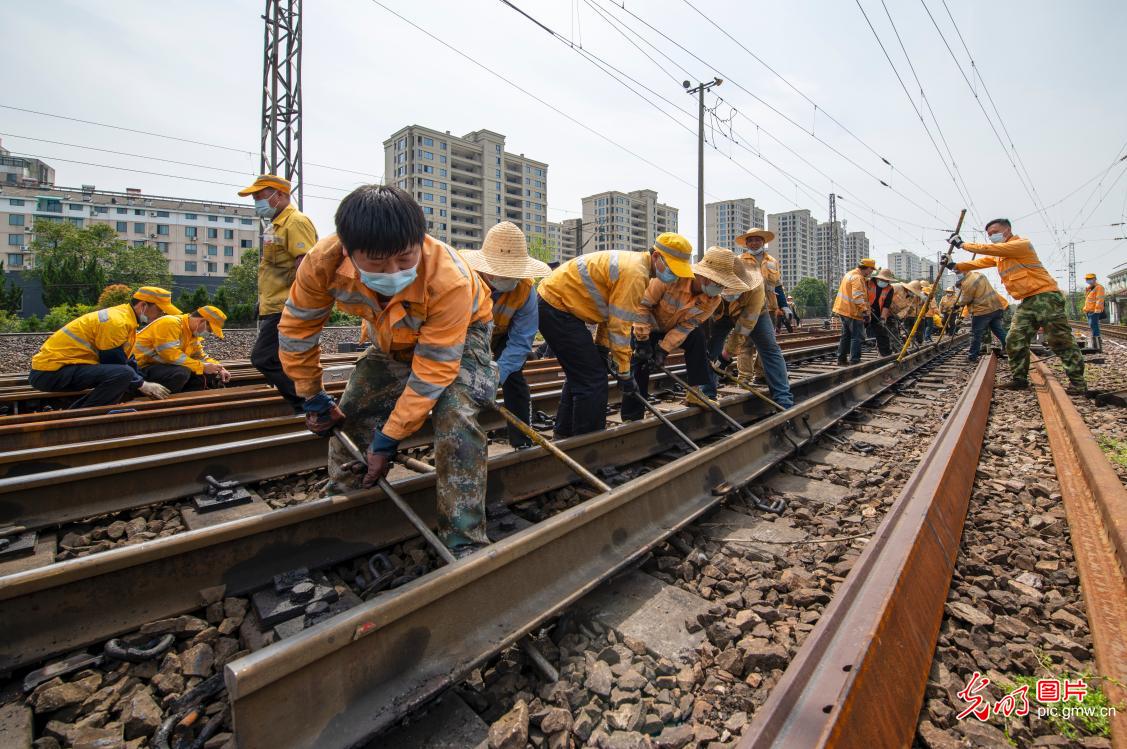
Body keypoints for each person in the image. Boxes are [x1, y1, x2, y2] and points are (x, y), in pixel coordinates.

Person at [279, 185, 495, 556]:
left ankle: (464, 539)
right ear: (348, 251)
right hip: (389, 332)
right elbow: (298, 330)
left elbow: (432, 371)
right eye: (377, 264)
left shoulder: (449, 277)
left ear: (418, 241)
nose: (393, 272)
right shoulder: (322, 262)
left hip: (464, 331)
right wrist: (311, 394)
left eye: (404, 259)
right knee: (356, 407)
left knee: (455, 413)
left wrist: (389, 439)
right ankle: (346, 501)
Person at [537, 234, 694, 437]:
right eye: (672, 269)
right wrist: (625, 371)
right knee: (593, 379)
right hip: (557, 307)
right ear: (656, 256)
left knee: (583, 375)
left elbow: (607, 312)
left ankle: (564, 435)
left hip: (556, 306)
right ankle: (587, 444)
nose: (673, 276)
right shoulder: (636, 274)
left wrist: (602, 348)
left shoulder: (636, 267)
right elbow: (620, 327)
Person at [947, 218, 1085, 393]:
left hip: (1046, 296)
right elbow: (979, 263)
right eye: (989, 234)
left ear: (1007, 230)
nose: (991, 236)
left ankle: (1078, 383)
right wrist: (954, 265)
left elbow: (990, 249)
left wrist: (962, 244)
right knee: (1014, 339)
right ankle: (1019, 379)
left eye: (994, 232)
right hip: (1028, 301)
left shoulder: (1021, 244)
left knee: (1060, 339)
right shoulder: (1001, 255)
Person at [624, 246, 752, 420]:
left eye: (723, 284)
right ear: (704, 275)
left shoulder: (713, 300)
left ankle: (694, 392)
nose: (719, 287)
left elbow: (686, 326)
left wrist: (663, 350)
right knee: (639, 363)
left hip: (672, 328)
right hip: (645, 325)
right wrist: (643, 340)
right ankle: (633, 415)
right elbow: (642, 305)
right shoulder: (670, 278)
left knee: (697, 338)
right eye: (717, 282)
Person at [462, 221, 550, 448]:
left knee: (514, 381)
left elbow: (521, 340)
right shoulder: (464, 280)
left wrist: (496, 375)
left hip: (502, 336)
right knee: (461, 387)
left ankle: (522, 440)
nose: (508, 277)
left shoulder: (524, 290)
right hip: (462, 335)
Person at [237, 174, 318, 412]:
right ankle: (307, 403)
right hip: (273, 304)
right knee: (284, 360)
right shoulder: (275, 225)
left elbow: (306, 266)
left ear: (280, 195)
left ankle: (310, 403)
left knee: (262, 358)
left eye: (259, 197)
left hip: (287, 305)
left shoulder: (296, 222)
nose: (256, 203)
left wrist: (299, 305)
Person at [28, 287, 179, 408]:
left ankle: (86, 412)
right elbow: (113, 361)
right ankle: (80, 416)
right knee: (122, 374)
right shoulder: (117, 322)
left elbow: (127, 358)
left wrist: (141, 381)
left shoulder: (126, 320)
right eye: (159, 310)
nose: (161, 314)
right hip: (50, 373)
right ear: (143, 306)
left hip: (61, 369)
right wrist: (141, 384)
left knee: (126, 374)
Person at [725, 228, 795, 408]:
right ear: (746, 244)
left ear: (763, 242)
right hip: (747, 308)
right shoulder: (740, 261)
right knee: (746, 343)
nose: (754, 243)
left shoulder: (772, 262)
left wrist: (784, 305)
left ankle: (761, 374)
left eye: (757, 240)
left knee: (768, 345)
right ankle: (744, 377)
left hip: (768, 309)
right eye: (751, 240)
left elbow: (777, 286)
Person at [134, 305, 231, 393]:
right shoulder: (171, 323)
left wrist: (219, 368)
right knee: (182, 372)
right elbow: (170, 355)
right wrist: (202, 367)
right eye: (209, 330)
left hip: (158, 367)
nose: (209, 333)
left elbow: (200, 356)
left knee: (210, 372)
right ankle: (161, 402)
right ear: (202, 321)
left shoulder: (192, 335)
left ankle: (185, 401)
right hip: (138, 368)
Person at [954, 270, 1007, 362]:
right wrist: (961, 314)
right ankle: (1011, 349)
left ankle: (972, 356)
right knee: (998, 331)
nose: (961, 289)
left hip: (982, 311)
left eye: (960, 287)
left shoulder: (967, 283)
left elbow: (967, 299)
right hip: (996, 308)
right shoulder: (978, 275)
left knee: (975, 334)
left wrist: (957, 304)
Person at [833, 259, 876, 365]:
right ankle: (855, 360)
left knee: (846, 335)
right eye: (871, 269)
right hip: (852, 311)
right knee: (856, 336)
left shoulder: (849, 274)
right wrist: (865, 311)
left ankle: (841, 359)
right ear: (867, 268)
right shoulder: (858, 277)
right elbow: (857, 296)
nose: (871, 272)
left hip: (843, 310)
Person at [868, 267, 896, 356]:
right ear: (878, 278)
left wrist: (883, 318)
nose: (885, 282)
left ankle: (885, 353)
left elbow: (886, 305)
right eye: (883, 279)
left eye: (887, 280)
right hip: (865, 311)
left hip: (878, 313)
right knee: (857, 334)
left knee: (882, 333)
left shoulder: (890, 289)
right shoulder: (868, 282)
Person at [1082, 273, 1105, 351]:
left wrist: (1097, 310)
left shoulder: (1099, 287)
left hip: (1094, 311)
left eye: (1090, 279)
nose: (1088, 280)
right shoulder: (1089, 288)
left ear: (1095, 279)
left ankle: (1097, 345)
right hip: (1088, 311)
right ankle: (1096, 343)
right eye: (1087, 279)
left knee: (1094, 326)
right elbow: (1088, 300)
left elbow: (1100, 299)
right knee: (1092, 326)